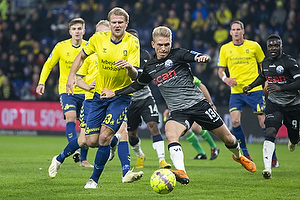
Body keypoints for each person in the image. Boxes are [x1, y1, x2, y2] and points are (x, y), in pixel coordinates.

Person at [100, 26, 257, 185]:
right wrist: (116, 92)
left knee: (229, 139)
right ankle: (181, 171)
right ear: (153, 44)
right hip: (178, 111)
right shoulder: (151, 67)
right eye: (160, 45)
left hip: (199, 105)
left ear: (171, 43)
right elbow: (138, 85)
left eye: (166, 44)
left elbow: (197, 56)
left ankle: (239, 156)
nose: (163, 48)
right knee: (170, 133)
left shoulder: (178, 54)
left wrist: (203, 58)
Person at [66, 7, 143, 189]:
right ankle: (115, 142)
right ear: (110, 24)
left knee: (104, 137)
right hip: (99, 95)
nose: (117, 25)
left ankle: (93, 180)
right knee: (91, 141)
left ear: (126, 23)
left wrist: (129, 67)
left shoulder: (132, 42)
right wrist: (71, 77)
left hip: (121, 96)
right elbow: (81, 56)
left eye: (120, 22)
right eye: (114, 22)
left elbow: (135, 76)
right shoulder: (98, 39)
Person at [47, 20, 112, 178]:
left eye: (106, 33)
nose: (102, 36)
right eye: (100, 33)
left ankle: (120, 171)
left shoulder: (113, 52)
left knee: (112, 132)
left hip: (109, 99)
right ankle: (59, 158)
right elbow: (78, 78)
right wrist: (88, 86)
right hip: (90, 100)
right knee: (86, 140)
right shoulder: (88, 54)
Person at [217, 20, 279, 167]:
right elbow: (220, 71)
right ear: (230, 32)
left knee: (263, 122)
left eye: (239, 29)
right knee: (235, 121)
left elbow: (264, 66)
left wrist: (266, 82)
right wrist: (226, 79)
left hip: (255, 89)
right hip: (236, 91)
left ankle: (273, 156)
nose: (236, 32)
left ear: (243, 31)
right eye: (233, 29)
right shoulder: (225, 48)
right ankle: (245, 153)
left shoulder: (254, 46)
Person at [36, 18, 92, 167]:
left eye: (80, 29)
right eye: (74, 29)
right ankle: (75, 150)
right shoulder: (61, 46)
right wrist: (41, 83)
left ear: (84, 31)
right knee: (71, 117)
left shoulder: (89, 46)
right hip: (66, 90)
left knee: (85, 125)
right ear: (70, 32)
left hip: (86, 90)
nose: (77, 31)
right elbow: (48, 65)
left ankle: (84, 160)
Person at [243, 34, 300, 179]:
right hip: (274, 104)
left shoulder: (289, 62)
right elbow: (263, 76)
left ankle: (293, 140)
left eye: (276, 45)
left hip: (293, 106)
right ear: (267, 48)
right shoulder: (266, 62)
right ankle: (267, 169)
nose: (273, 48)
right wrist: (250, 86)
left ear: (281, 46)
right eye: (271, 46)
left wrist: (281, 88)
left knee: (294, 137)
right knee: (270, 131)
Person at [124, 28, 171, 169]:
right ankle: (140, 155)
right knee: (131, 134)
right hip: (129, 100)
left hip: (145, 97)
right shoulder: (120, 54)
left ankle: (162, 160)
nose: (133, 42)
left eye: (135, 39)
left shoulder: (144, 55)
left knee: (153, 127)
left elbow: (144, 76)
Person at [163, 76, 220, 160]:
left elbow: (202, 86)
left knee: (195, 126)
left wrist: (211, 103)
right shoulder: (170, 79)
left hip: (195, 104)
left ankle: (213, 147)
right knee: (185, 130)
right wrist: (168, 108)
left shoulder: (187, 76)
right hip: (181, 107)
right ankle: (201, 153)